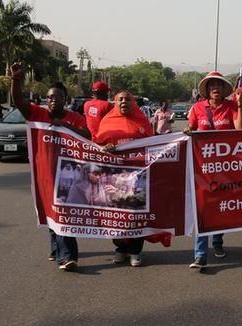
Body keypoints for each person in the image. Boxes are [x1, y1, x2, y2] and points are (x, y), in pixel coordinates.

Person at [10, 61, 90, 271]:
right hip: (44, 173)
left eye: (58, 97)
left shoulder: (75, 117)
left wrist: (66, 126)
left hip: (68, 174)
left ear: (66, 100)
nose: (53, 101)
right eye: (50, 98)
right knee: (51, 211)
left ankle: (67, 257)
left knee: (62, 211)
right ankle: (56, 247)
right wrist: (16, 79)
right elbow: (18, 101)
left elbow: (88, 136)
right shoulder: (37, 113)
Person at [184, 71, 242, 270]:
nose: (216, 89)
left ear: (224, 89)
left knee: (220, 208)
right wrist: (187, 131)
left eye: (219, 85)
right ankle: (200, 255)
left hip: (226, 169)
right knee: (202, 209)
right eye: (212, 86)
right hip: (202, 169)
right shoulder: (197, 108)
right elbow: (190, 130)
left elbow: (241, 131)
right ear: (207, 90)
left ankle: (218, 241)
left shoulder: (231, 107)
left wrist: (240, 107)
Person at [96, 91, 154, 267]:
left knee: (136, 211)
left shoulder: (142, 121)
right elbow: (97, 145)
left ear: (133, 103)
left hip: (137, 177)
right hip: (115, 177)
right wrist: (105, 148)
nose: (124, 102)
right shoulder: (107, 121)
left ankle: (135, 251)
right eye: (120, 99)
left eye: (128, 99)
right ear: (115, 102)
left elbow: (152, 145)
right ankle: (120, 248)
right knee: (115, 212)